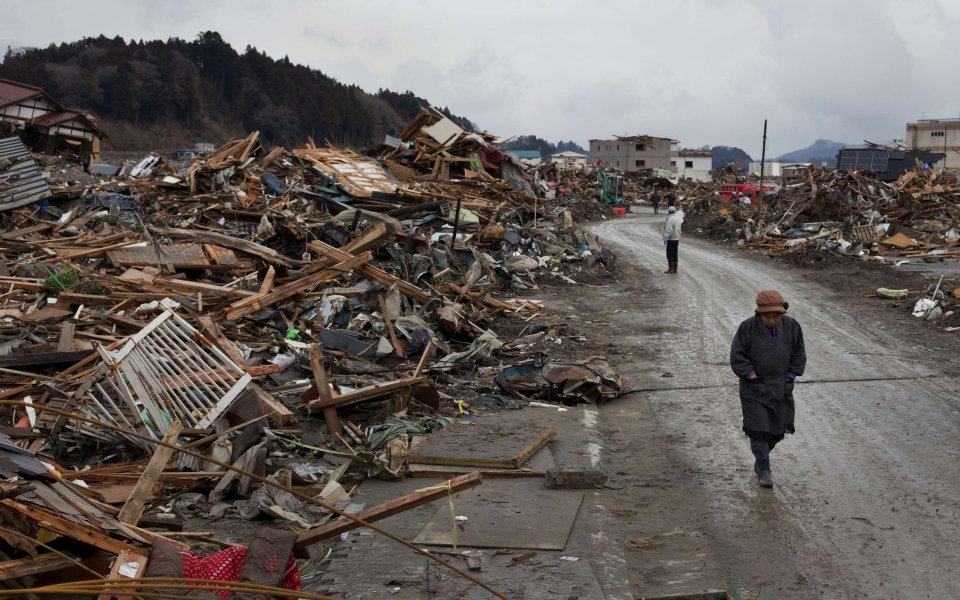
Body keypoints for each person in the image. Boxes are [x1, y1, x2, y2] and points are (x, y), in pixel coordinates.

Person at [729, 290, 806, 487]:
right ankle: (765, 469)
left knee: (776, 430)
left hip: (781, 388)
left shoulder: (792, 327)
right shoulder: (747, 328)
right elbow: (737, 355)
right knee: (759, 430)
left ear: (782, 314)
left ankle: (761, 459)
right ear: (759, 314)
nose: (771, 320)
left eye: (775, 316)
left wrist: (791, 376)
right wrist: (750, 374)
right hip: (754, 389)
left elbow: (798, 352)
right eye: (767, 317)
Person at [661, 206, 682, 273]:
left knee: (669, 254)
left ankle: (671, 269)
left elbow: (669, 230)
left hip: (671, 239)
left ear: (669, 212)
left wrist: (665, 238)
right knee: (675, 253)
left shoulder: (670, 219)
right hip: (677, 238)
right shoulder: (678, 219)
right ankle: (675, 269)